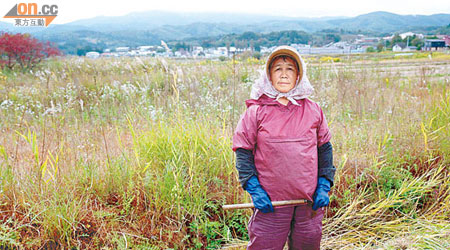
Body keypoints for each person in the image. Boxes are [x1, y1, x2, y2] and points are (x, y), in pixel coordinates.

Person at [232, 45, 336, 250]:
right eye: (278, 68)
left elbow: (325, 149)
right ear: (269, 75)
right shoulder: (256, 111)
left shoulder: (313, 110)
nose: (284, 74)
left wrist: (324, 184)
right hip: (271, 204)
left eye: (290, 69)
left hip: (308, 203)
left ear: (298, 75)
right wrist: (254, 189)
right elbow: (243, 152)